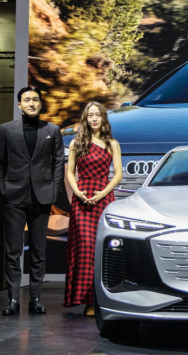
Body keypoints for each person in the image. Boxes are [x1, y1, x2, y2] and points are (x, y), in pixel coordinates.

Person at [0, 86, 64, 315]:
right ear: (19, 104)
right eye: (26, 100)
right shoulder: (6, 129)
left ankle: (35, 298)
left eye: (35, 100)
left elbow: (59, 162)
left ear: (41, 104)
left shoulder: (52, 129)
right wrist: (2, 188)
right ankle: (13, 299)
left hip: (42, 196)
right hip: (13, 195)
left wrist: (55, 189)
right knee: (13, 250)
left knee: (38, 250)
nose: (31, 103)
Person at [64, 101, 122, 316]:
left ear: (103, 118)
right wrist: (77, 192)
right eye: (91, 115)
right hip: (81, 199)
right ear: (85, 119)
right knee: (85, 247)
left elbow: (118, 174)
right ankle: (87, 300)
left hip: (103, 198)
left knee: (102, 249)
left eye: (98, 115)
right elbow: (70, 172)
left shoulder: (112, 144)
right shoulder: (76, 143)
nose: (94, 118)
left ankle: (102, 299)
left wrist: (102, 193)